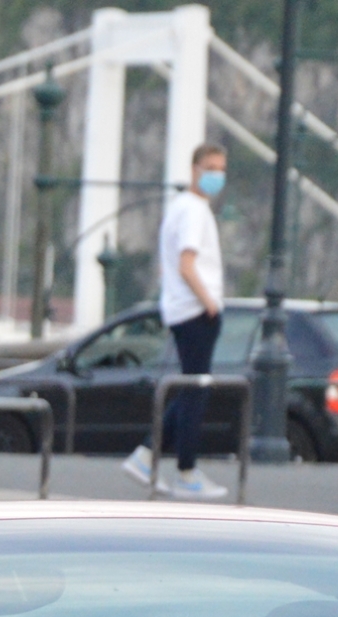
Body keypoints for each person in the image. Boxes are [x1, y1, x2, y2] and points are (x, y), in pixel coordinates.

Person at [123, 141, 229, 501]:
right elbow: (187, 264)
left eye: (221, 169)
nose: (217, 175)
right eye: (210, 168)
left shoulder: (181, 208)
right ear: (195, 169)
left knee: (190, 389)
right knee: (195, 390)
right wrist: (209, 303)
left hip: (184, 310)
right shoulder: (194, 211)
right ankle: (186, 470)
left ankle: (147, 454)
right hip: (195, 311)